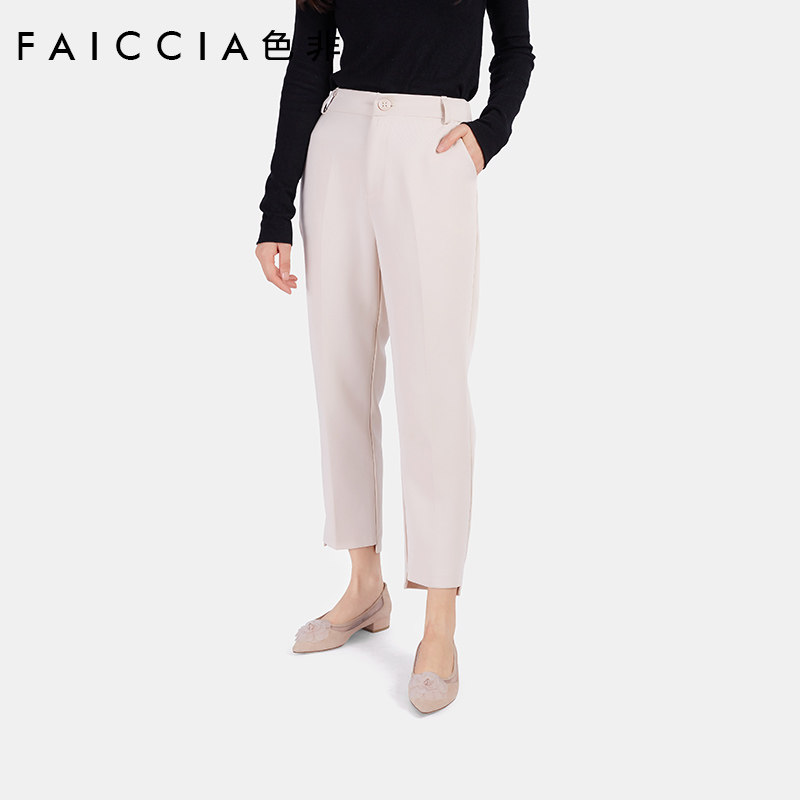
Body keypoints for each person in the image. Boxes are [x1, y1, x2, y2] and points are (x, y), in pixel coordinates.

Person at [254, 0, 534, 713]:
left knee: (434, 385)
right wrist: (274, 207)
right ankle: (364, 584)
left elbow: (516, 50)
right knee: (340, 372)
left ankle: (439, 622)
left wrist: (489, 133)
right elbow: (308, 60)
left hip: (435, 145)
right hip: (339, 139)